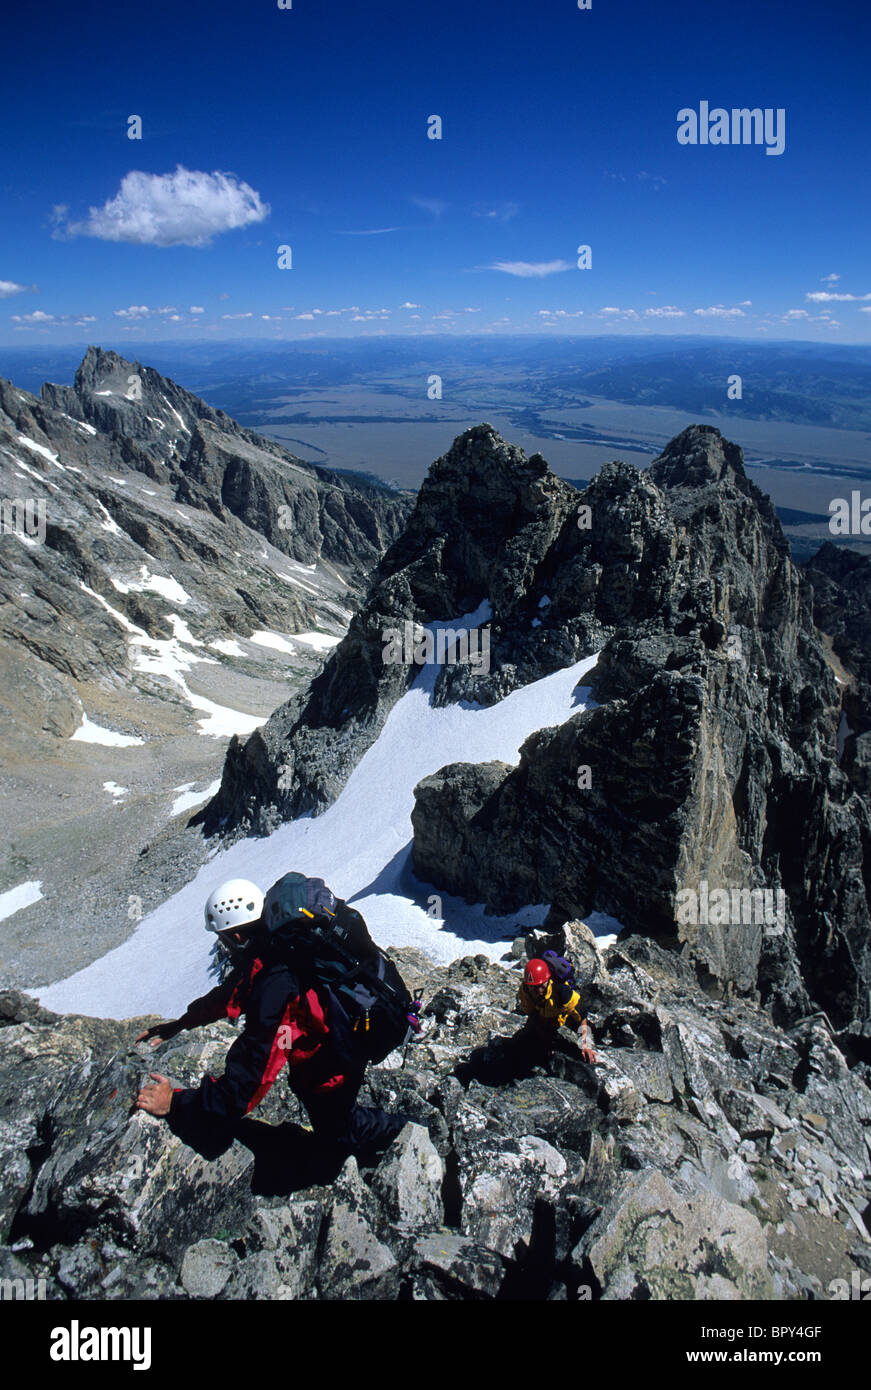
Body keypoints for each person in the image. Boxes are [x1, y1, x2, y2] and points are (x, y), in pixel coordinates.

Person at [135, 877, 406, 1159]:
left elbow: (244, 1088)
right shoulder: (274, 943)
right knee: (335, 1126)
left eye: (223, 937)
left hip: (334, 1063)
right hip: (338, 1037)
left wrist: (174, 1103)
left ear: (236, 936)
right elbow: (232, 993)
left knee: (342, 1132)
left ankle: (413, 1132)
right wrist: (179, 1024)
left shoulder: (275, 988)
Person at [516, 957, 598, 1065]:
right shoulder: (525, 992)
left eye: (541, 986)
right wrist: (546, 1038)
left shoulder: (562, 992)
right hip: (545, 1015)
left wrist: (585, 1045)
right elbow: (532, 1014)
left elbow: (581, 1017)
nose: (538, 991)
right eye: (533, 987)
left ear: (547, 981)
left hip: (564, 1014)